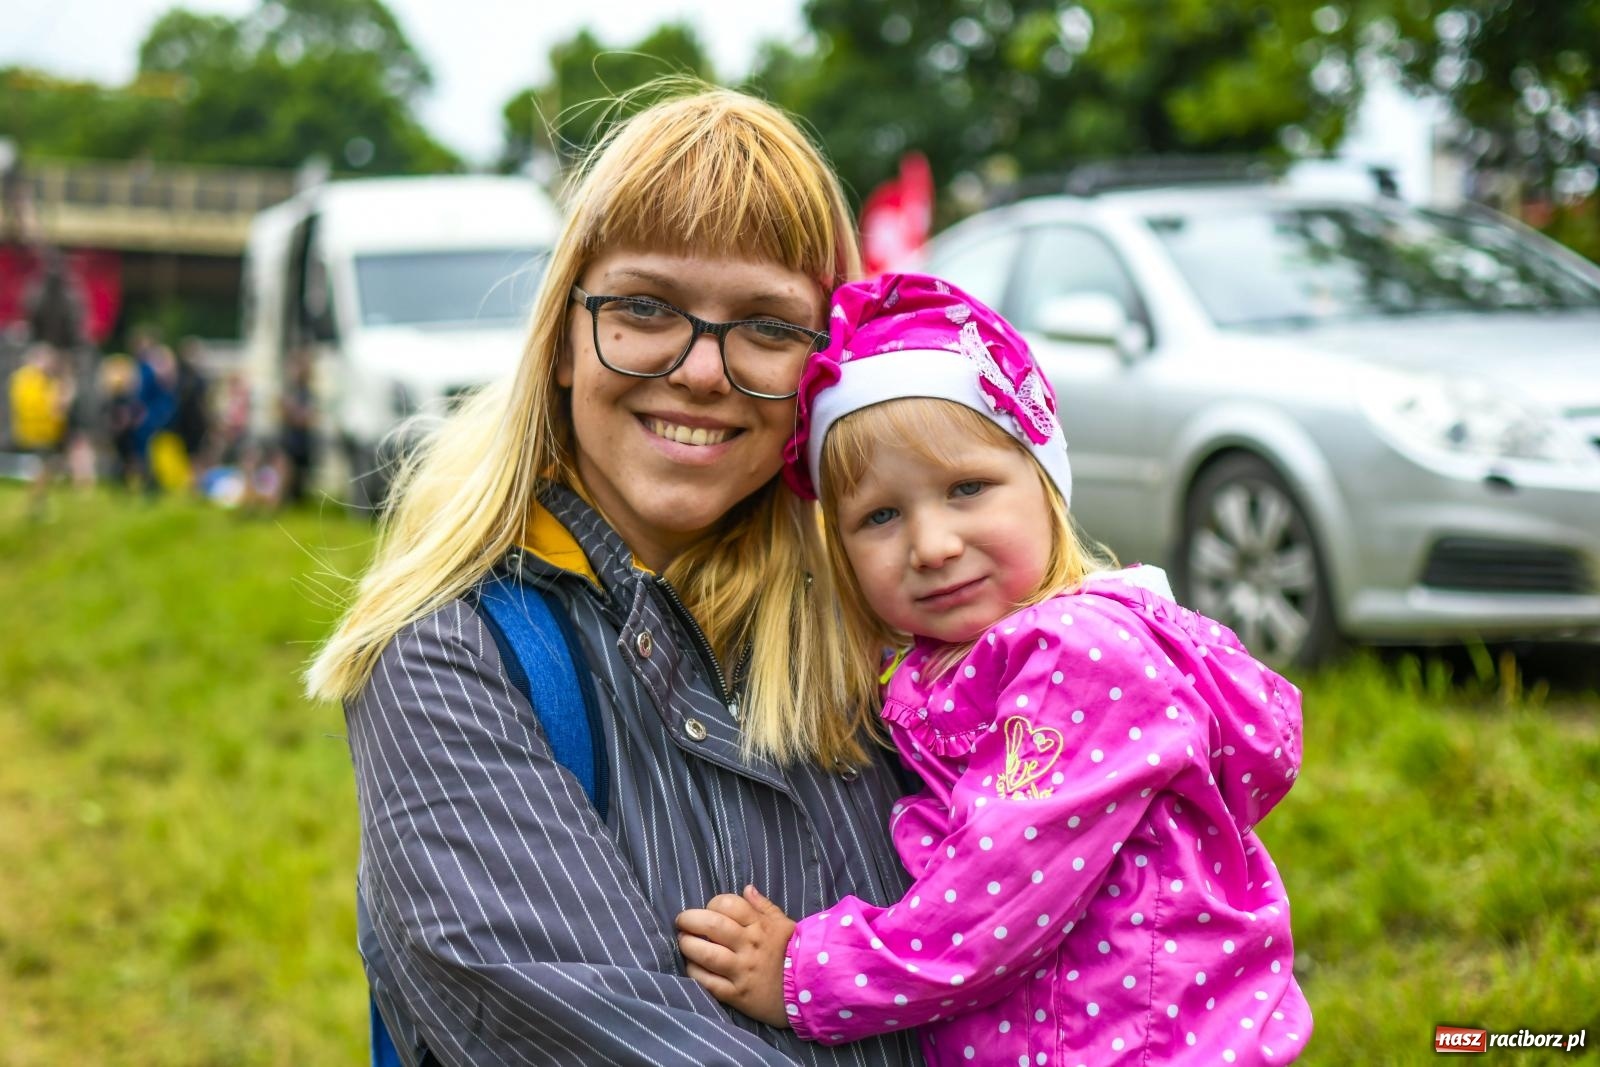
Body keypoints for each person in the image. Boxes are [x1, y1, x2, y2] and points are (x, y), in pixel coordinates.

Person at [305, 86, 923, 1067]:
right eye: (644, 307)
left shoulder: (898, 630)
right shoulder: (454, 651)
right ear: (559, 336)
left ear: (825, 364)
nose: (703, 371)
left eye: (767, 324)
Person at [675, 274, 1312, 1066]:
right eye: (881, 515)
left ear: (1044, 484)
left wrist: (807, 973)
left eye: (968, 488)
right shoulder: (961, 659)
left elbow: (996, 893)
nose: (932, 543)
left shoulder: (1076, 657)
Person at [8, 341, 73, 519]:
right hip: (38, 432)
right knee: (43, 468)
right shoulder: (31, 379)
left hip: (40, 431)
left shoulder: (28, 378)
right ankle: (37, 505)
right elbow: (45, 407)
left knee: (45, 468)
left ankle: (39, 503)